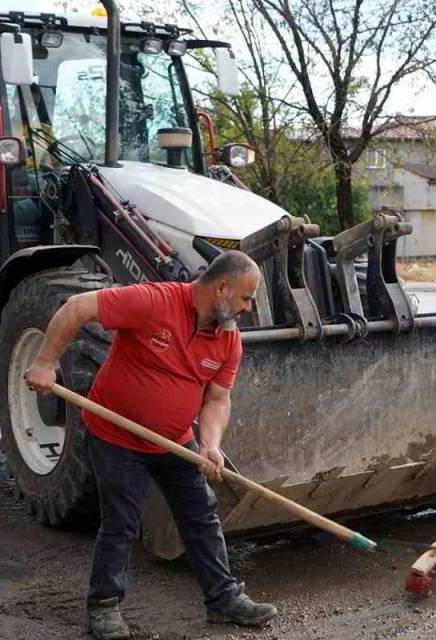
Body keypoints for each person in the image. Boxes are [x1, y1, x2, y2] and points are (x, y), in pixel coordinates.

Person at [25, 251, 277, 640]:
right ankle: (104, 607)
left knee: (201, 514)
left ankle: (223, 600)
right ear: (222, 288)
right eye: (245, 298)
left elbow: (216, 400)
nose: (248, 307)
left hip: (175, 440)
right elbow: (76, 307)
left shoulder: (228, 340)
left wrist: (209, 445)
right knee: (123, 520)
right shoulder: (154, 302)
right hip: (117, 434)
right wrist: (44, 362)